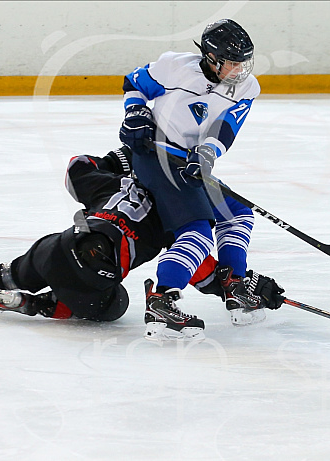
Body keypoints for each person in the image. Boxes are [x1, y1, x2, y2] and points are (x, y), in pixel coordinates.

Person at [0, 146, 285, 341]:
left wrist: (119, 159)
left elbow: (76, 168)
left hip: (59, 248)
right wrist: (234, 286)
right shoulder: (172, 217)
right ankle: (34, 306)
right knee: (113, 305)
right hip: (95, 279)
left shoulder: (109, 184)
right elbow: (200, 271)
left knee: (21, 268)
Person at [119, 19, 263, 332]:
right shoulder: (174, 66)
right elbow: (134, 83)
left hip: (188, 163)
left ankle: (233, 283)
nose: (240, 71)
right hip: (154, 155)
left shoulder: (248, 88)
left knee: (237, 213)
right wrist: (135, 113)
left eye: (244, 64)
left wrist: (206, 155)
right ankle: (162, 299)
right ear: (211, 59)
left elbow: (225, 128)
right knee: (197, 230)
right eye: (233, 64)